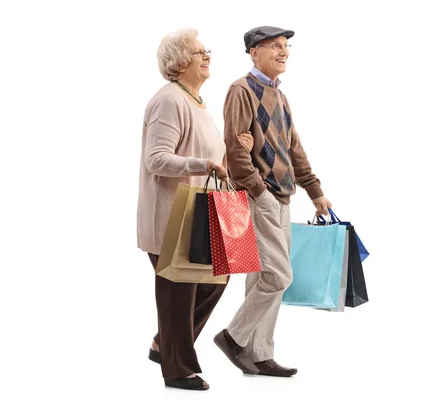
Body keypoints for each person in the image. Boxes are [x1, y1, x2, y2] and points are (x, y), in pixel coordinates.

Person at [136, 28, 253, 390]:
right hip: (170, 217)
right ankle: (177, 368)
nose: (207, 56)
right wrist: (201, 164)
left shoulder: (196, 101)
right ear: (179, 61)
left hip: (199, 216)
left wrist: (235, 149)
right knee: (178, 295)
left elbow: (213, 161)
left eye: (207, 51)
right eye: (199, 52)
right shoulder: (169, 101)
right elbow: (157, 159)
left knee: (216, 280)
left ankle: (165, 345)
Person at [213, 26, 333, 377]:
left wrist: (315, 190)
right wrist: (259, 192)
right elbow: (236, 151)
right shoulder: (241, 90)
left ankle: (259, 352)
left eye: (286, 46)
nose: (284, 52)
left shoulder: (279, 94)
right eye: (275, 46)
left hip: (282, 196)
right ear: (254, 52)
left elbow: (293, 148)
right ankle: (233, 338)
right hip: (257, 196)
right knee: (279, 276)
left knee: (262, 278)